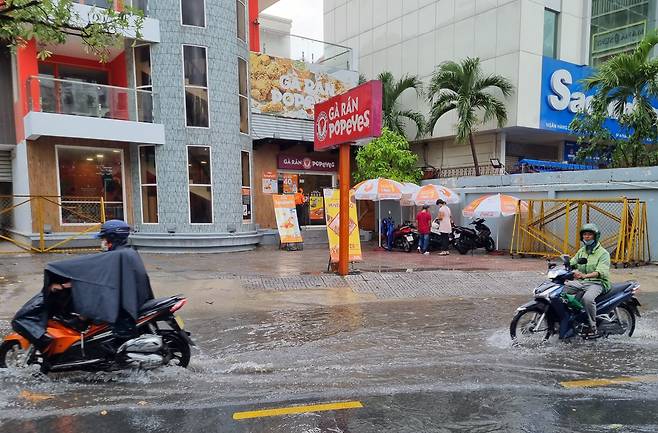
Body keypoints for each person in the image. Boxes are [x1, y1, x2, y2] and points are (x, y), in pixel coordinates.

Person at [566, 223, 610, 336]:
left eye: (589, 234)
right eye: (585, 234)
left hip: (598, 283)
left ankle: (593, 326)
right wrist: (565, 265)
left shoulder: (603, 253)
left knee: (587, 298)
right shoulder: (582, 251)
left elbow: (601, 272)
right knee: (563, 290)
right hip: (582, 282)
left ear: (595, 236)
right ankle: (570, 318)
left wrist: (584, 276)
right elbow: (573, 263)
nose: (587, 237)